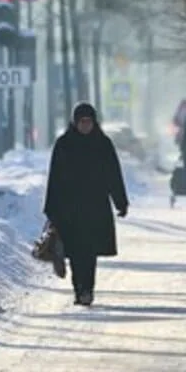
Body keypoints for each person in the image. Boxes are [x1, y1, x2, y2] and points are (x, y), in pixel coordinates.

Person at [43, 102, 129, 306]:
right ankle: (78, 289)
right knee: (74, 252)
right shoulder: (64, 144)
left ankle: (87, 289)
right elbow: (54, 178)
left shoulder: (102, 144)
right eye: (81, 122)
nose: (85, 126)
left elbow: (113, 175)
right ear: (75, 122)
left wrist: (120, 202)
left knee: (89, 253)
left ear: (94, 122)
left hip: (94, 208)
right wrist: (51, 209)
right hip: (69, 209)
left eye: (88, 122)